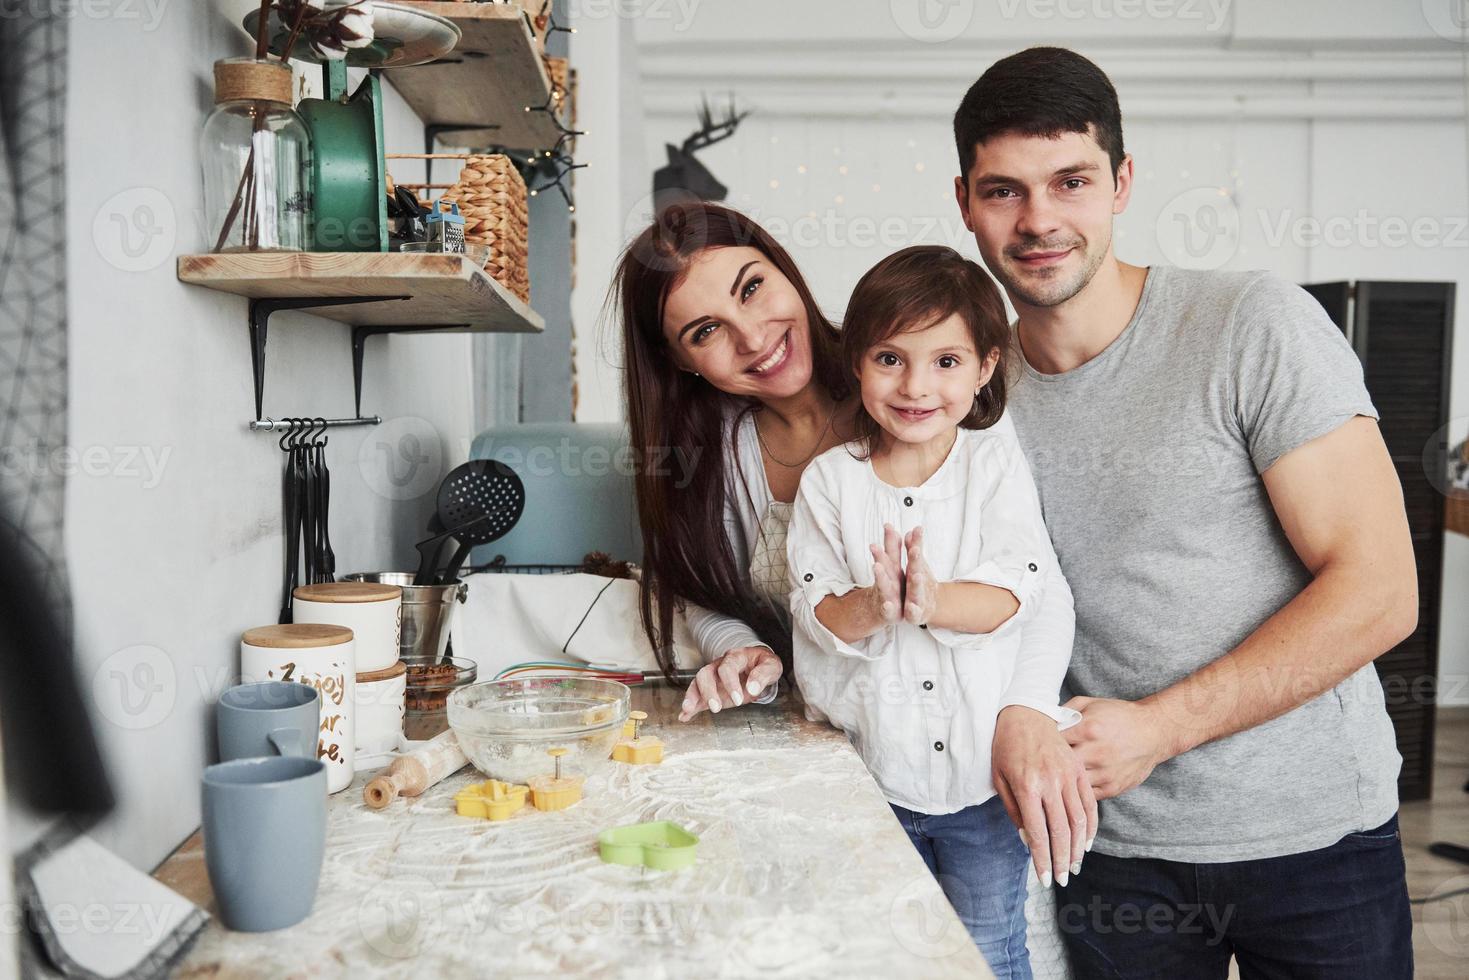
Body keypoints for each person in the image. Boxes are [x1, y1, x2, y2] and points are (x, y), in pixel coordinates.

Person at [951, 46, 1416, 977]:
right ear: (963, 200)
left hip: (1313, 835)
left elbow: (1379, 591)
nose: (1038, 220)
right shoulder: (968, 389)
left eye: (1069, 181)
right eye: (1003, 191)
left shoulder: (1251, 324)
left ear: (1120, 182)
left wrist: (1159, 728)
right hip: (1107, 846)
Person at [609, 203, 1096, 891]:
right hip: (840, 756)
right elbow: (699, 590)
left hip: (974, 761)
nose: (753, 338)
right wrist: (734, 647)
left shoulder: (937, 401)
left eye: (751, 287)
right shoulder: (713, 458)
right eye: (706, 330)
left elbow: (1035, 589)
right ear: (678, 361)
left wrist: (1024, 713)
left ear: (786, 270)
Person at [787, 244, 1079, 978]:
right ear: (856, 362)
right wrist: (873, 605)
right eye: (890, 358)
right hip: (874, 780)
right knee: (883, 957)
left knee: (987, 952)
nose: (916, 385)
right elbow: (817, 611)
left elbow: (1022, 587)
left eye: (945, 362)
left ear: (985, 367)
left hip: (981, 787)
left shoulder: (993, 462)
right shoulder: (830, 482)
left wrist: (935, 601)